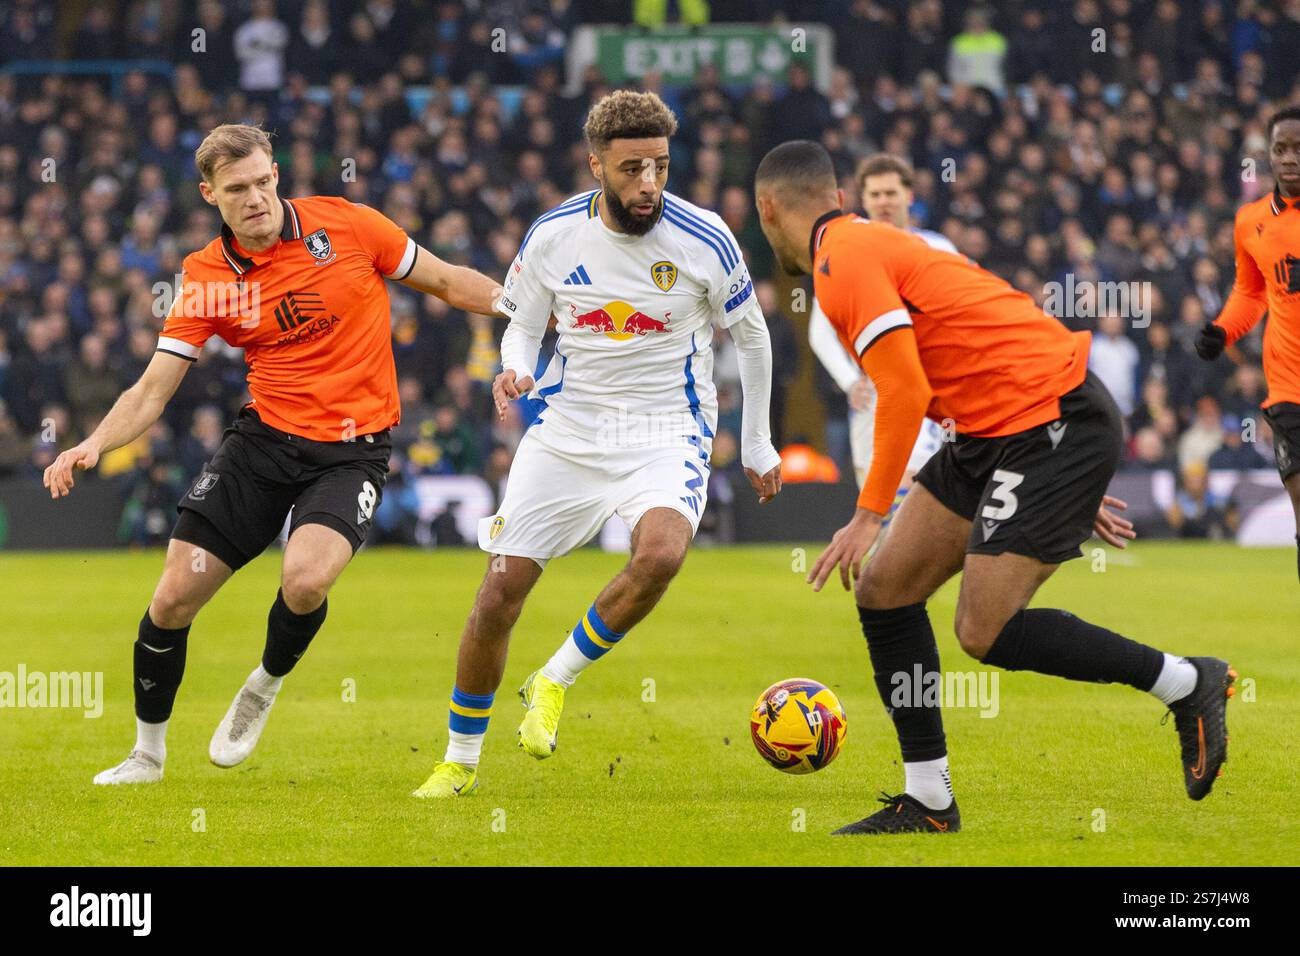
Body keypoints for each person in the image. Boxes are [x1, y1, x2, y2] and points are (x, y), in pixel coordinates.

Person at [754, 140, 1235, 835]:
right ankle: (928, 800)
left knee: (982, 630)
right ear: (837, 193)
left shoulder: (842, 262)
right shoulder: (867, 246)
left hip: (1046, 420)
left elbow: (903, 388)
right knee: (884, 589)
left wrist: (865, 515)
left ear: (768, 210)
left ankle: (1187, 682)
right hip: (999, 428)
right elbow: (988, 319)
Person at [43, 123, 502, 785]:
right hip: (263, 444)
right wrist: (91, 444)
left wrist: (527, 307)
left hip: (352, 451)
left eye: (262, 181)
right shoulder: (204, 278)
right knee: (172, 600)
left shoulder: (349, 225)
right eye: (237, 189)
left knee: (306, 580)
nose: (255, 196)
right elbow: (152, 390)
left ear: (276, 174)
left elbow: (449, 281)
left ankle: (264, 681)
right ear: (209, 194)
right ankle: (147, 754)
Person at [413, 91, 783, 798]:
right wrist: (514, 366)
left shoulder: (705, 237)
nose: (649, 184)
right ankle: (458, 761)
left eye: (661, 168)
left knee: (663, 552)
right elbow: (520, 321)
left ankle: (552, 679)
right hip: (570, 428)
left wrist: (758, 441)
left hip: (666, 429)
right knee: (499, 593)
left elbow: (755, 336)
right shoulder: (554, 234)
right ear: (596, 166)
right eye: (632, 169)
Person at [1195, 106, 1300, 582]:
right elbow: (1251, 292)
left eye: (1299, 149)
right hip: (1289, 389)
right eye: (1281, 149)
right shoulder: (1250, 221)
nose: (1290, 159)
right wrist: (1223, 330)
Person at [808, 154, 950, 503]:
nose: (883, 201)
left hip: (928, 391)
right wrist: (848, 382)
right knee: (876, 511)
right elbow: (819, 330)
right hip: (872, 394)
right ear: (864, 199)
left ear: (909, 195)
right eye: (875, 194)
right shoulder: (846, 251)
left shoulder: (938, 248)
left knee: (917, 502)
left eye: (891, 193)